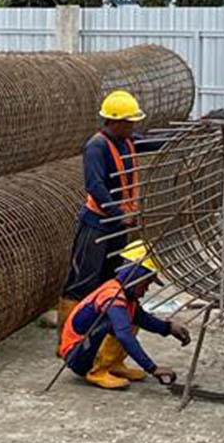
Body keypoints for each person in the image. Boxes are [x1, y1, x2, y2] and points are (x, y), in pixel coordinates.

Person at [56, 89, 148, 357]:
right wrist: (118, 211)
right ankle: (66, 344)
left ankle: (97, 344)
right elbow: (95, 186)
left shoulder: (127, 141)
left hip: (117, 227)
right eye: (129, 122)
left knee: (109, 281)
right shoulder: (96, 147)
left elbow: (151, 142)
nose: (133, 126)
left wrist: (193, 133)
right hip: (96, 226)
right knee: (82, 282)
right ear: (114, 121)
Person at [58, 244, 191, 389]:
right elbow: (124, 335)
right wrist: (152, 368)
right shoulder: (111, 295)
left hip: (85, 348)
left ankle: (113, 365)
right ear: (135, 277)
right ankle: (96, 370)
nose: (146, 290)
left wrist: (169, 328)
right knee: (117, 321)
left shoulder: (128, 299)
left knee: (132, 317)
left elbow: (145, 320)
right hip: (77, 355)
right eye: (146, 283)